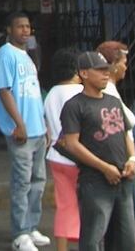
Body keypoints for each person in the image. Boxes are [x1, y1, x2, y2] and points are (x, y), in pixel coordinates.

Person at [59, 52, 135, 251]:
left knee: (126, 239)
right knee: (93, 238)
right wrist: (104, 167)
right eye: (100, 70)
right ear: (84, 73)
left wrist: (132, 159)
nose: (106, 74)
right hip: (95, 180)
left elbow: (126, 134)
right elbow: (72, 144)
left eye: (107, 70)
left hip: (123, 178)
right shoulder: (74, 106)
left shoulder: (113, 101)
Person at [0, 11, 50, 251]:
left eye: (28, 26)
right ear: (9, 29)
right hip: (21, 131)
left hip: (37, 130)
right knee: (22, 183)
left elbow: (34, 92)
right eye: (20, 26)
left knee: (38, 181)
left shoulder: (26, 56)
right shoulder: (5, 54)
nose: (25, 30)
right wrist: (19, 123)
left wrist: (44, 124)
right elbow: (4, 90)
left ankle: (31, 226)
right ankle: (20, 234)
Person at [43, 48, 84, 251]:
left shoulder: (51, 94)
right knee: (89, 206)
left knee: (65, 205)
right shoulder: (80, 92)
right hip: (80, 156)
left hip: (56, 156)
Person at [95, 41, 135, 221]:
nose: (125, 67)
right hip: (119, 158)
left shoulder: (110, 90)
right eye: (123, 63)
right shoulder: (108, 93)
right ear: (113, 65)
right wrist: (132, 157)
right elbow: (124, 125)